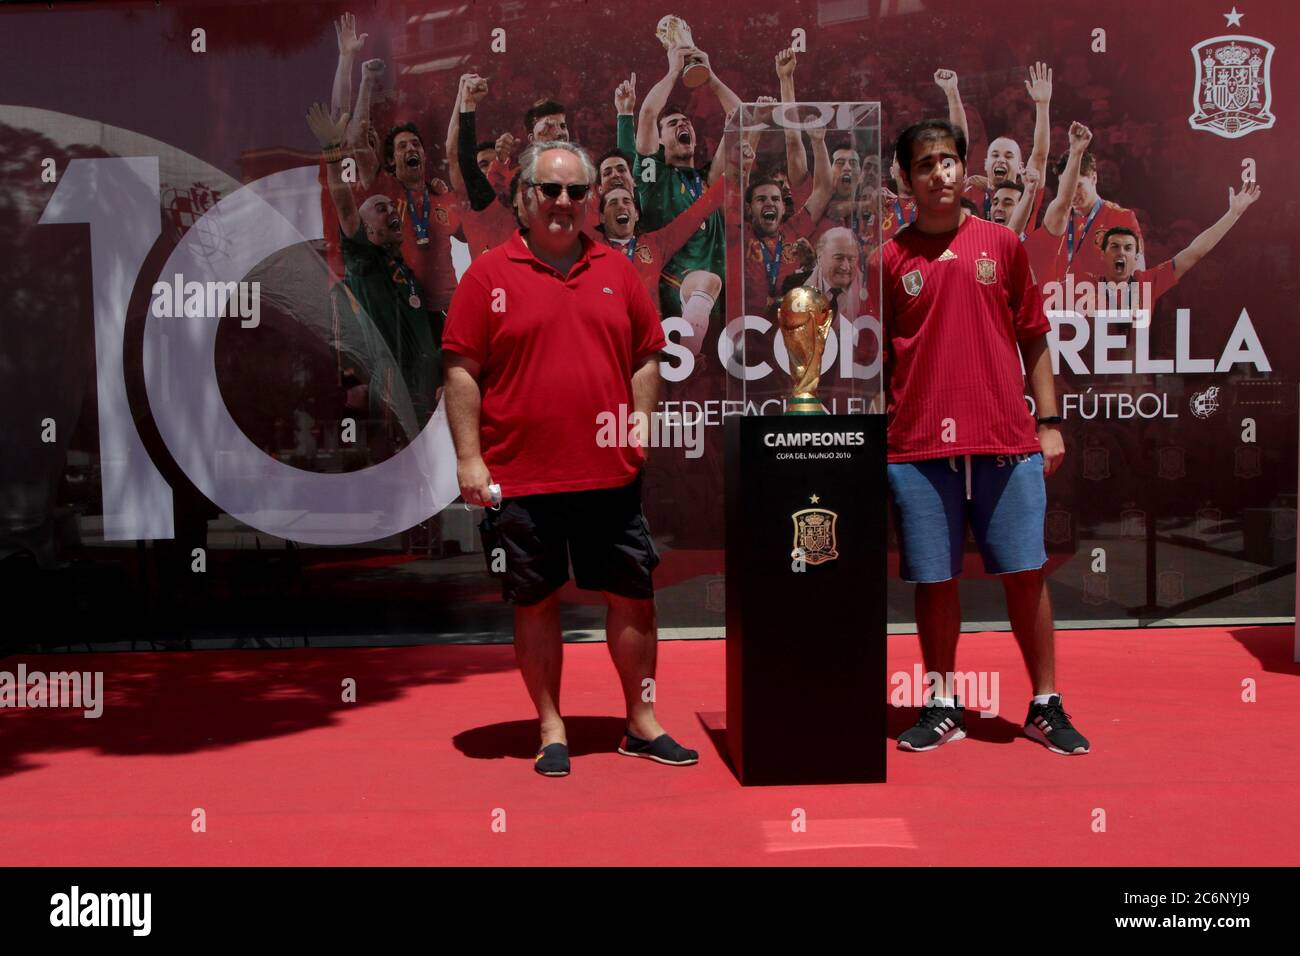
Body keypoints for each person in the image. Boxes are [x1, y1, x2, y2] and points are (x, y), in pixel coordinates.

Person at [441, 140, 699, 777]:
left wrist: (638, 424)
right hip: (521, 477)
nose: (563, 202)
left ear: (590, 201)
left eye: (576, 192)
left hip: (608, 475)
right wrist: (470, 460)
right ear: (524, 197)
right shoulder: (487, 276)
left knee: (634, 597)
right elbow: (461, 370)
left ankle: (641, 722)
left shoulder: (617, 271)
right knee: (535, 602)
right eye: (550, 190)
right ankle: (551, 727)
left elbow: (646, 354)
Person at [877, 119, 1090, 756]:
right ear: (905, 179)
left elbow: (1034, 337)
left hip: (1005, 438)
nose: (938, 174)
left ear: (963, 170)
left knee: (1026, 573)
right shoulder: (888, 258)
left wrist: (1048, 424)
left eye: (947, 161)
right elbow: (872, 357)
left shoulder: (1002, 244)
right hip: (917, 448)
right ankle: (942, 702)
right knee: (934, 580)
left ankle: (1045, 704)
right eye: (924, 165)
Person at [307, 103, 442, 432]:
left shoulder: (406, 271)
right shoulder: (364, 263)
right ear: (366, 231)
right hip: (394, 386)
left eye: (389, 206)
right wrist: (333, 151)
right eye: (380, 209)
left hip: (427, 387)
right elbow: (345, 207)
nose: (390, 211)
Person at [621, 39, 740, 320]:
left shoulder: (708, 178)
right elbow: (649, 114)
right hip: (673, 300)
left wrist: (710, 77)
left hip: (718, 301)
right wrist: (674, 71)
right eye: (672, 124)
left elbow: (741, 120)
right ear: (660, 140)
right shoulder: (654, 179)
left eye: (685, 122)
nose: (682, 124)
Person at [599, 181, 722, 355]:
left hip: (649, 343)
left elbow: (695, 214)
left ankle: (688, 356)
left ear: (636, 215)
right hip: (608, 340)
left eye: (627, 201)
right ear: (602, 217)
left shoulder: (654, 243)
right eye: (613, 203)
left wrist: (729, 176)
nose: (621, 206)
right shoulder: (590, 249)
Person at [448, 73, 524, 259]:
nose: (490, 168)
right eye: (483, 164)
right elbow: (456, 155)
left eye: (495, 162)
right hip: (488, 285)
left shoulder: (519, 194)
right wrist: (463, 97)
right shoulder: (469, 195)